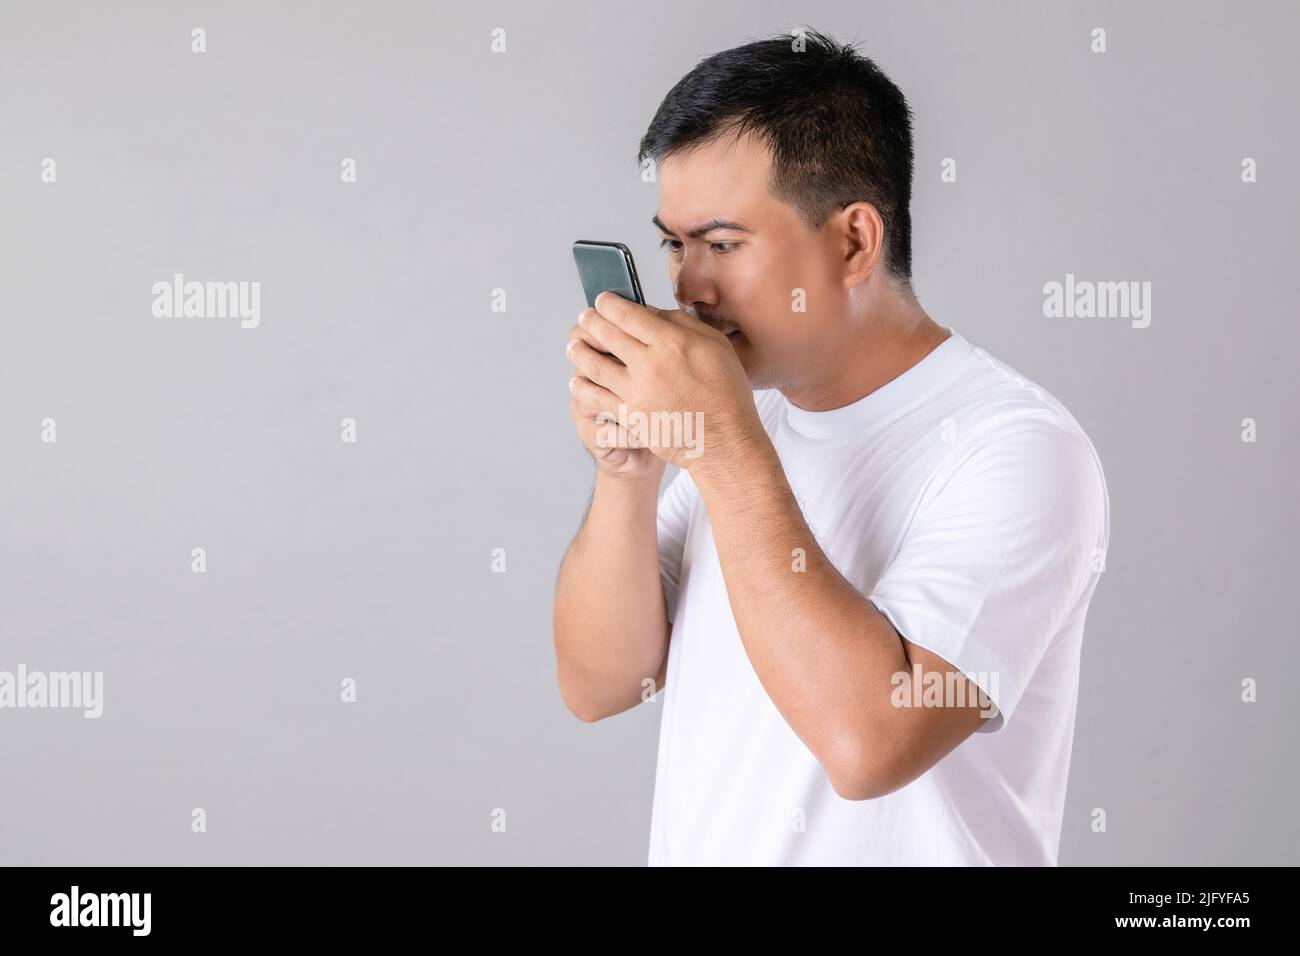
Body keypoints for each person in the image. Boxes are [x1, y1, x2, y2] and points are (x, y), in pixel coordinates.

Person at [553, 28, 1110, 866]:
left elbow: (869, 743)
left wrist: (720, 446)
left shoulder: (1018, 448)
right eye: (674, 243)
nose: (687, 288)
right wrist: (627, 475)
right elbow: (597, 686)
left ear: (852, 242)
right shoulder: (744, 421)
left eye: (722, 244)